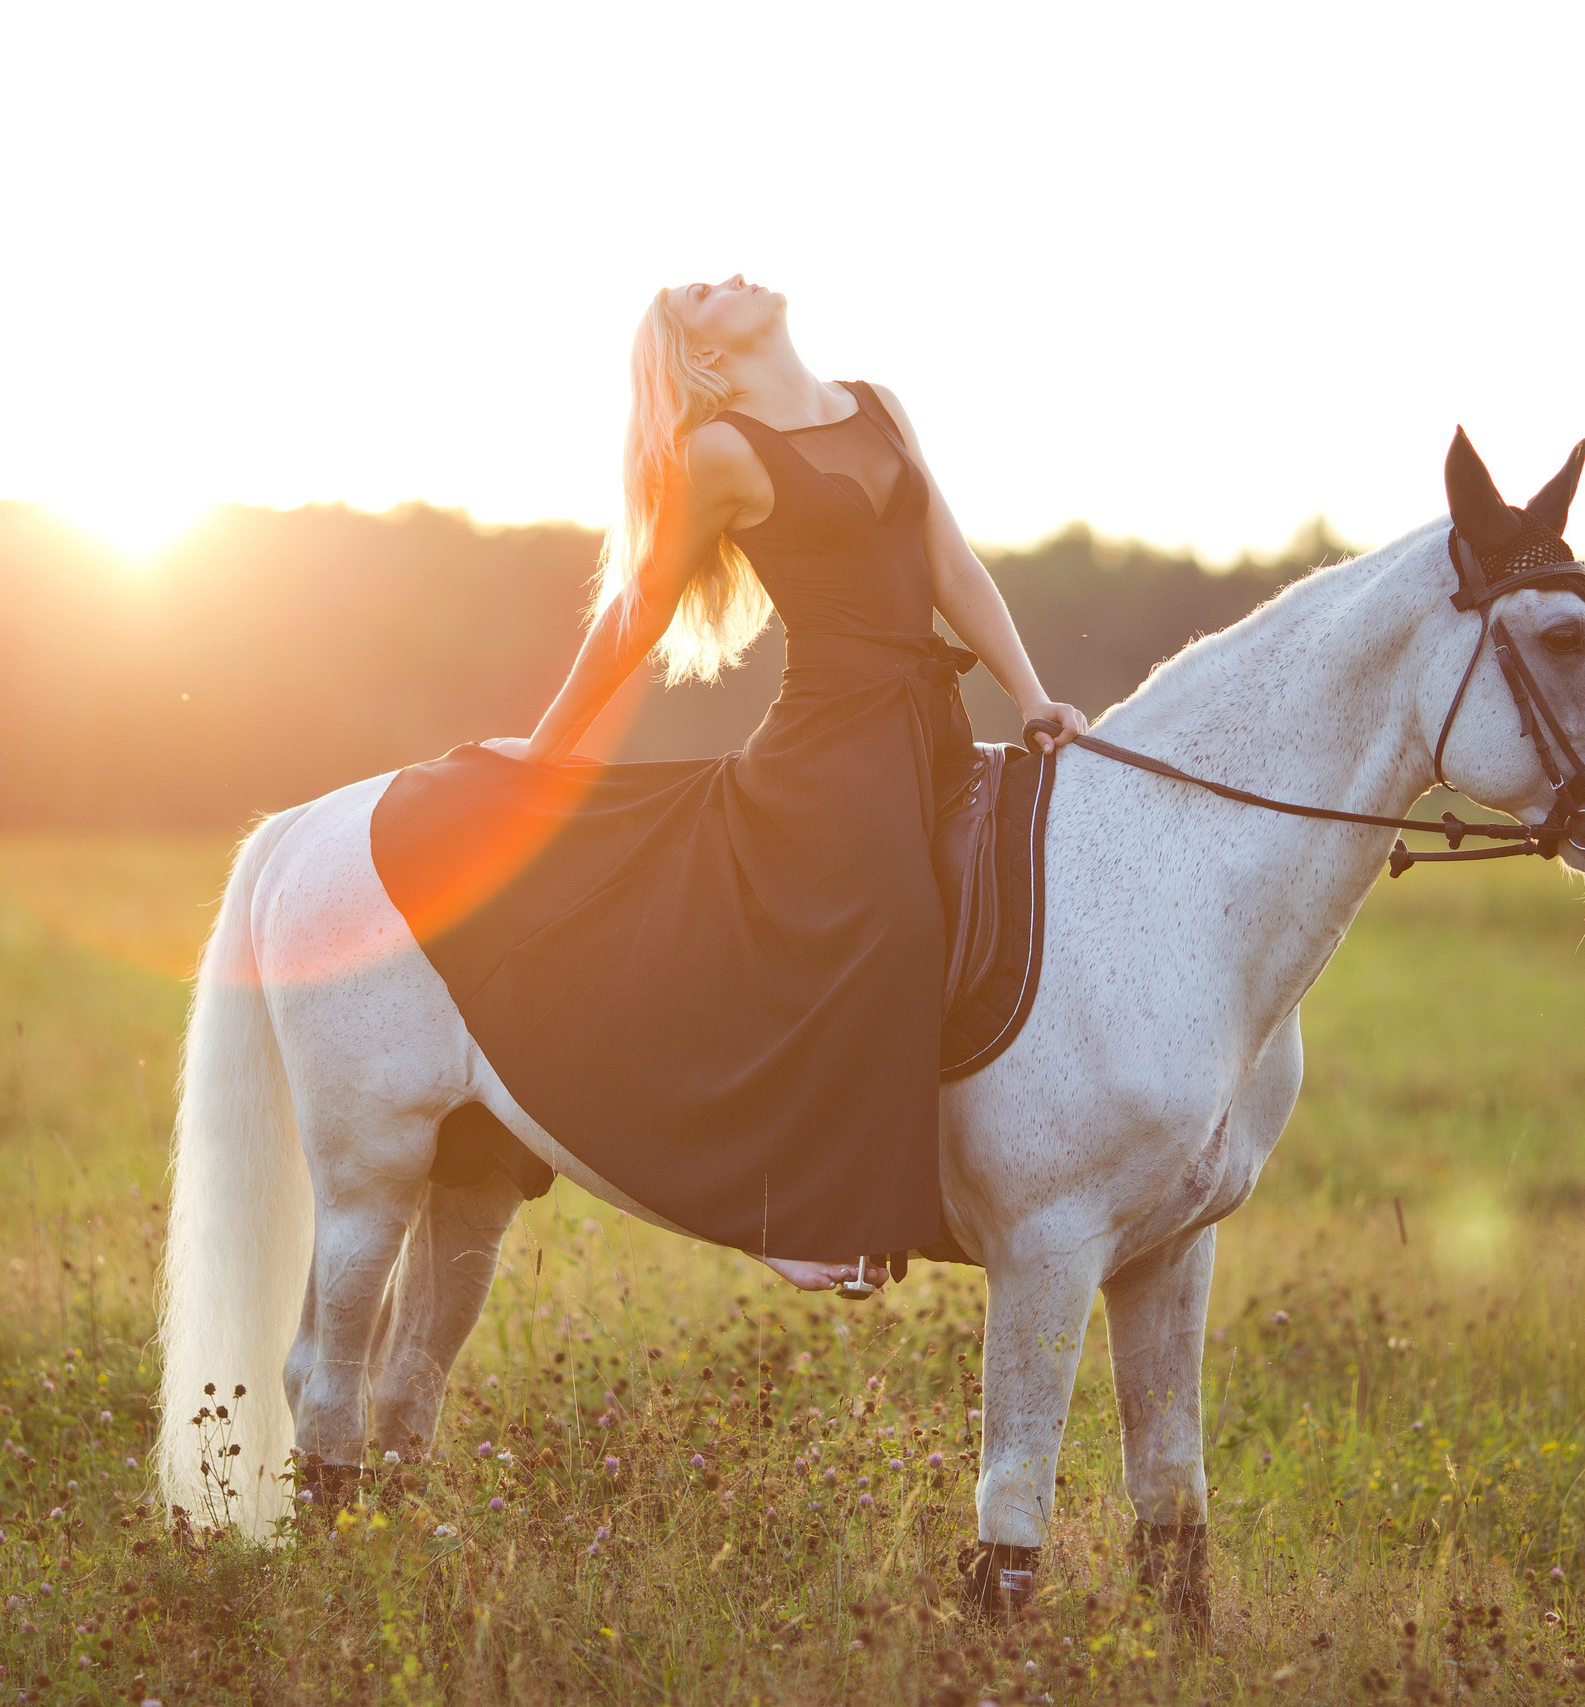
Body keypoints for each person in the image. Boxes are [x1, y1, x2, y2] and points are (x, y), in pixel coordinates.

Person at [369, 275, 1089, 1293]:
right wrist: (545, 748)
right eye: (699, 293)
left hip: (925, 726)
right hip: (832, 746)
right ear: (702, 355)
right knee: (892, 924)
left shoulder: (878, 404)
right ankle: (779, 1210)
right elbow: (641, 609)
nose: (727, 276)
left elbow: (953, 567)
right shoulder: (720, 454)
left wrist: (1032, 697)